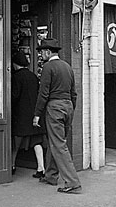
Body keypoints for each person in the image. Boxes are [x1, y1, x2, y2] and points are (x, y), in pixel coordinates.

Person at [33, 38, 82, 194]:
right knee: (57, 142)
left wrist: (37, 114)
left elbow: (43, 93)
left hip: (54, 107)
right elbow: (74, 92)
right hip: (68, 106)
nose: (40, 55)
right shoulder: (67, 66)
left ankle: (73, 183)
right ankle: (51, 175)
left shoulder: (48, 67)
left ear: (48, 52)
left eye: (41, 52)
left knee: (58, 145)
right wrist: (71, 108)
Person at [11, 50, 46, 178]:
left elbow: (14, 96)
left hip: (20, 115)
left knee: (16, 142)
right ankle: (41, 168)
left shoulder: (16, 77)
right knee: (37, 142)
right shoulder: (33, 76)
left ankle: (12, 165)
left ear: (15, 64)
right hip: (34, 114)